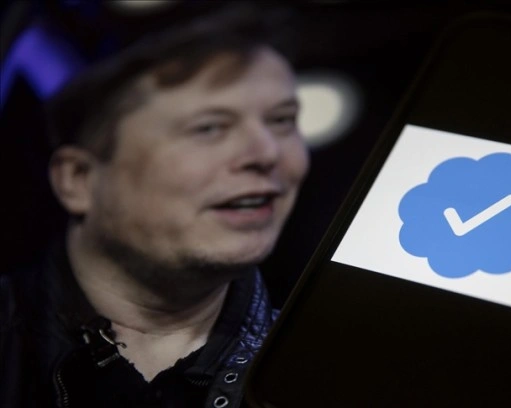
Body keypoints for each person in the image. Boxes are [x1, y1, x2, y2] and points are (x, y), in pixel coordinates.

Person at [0, 3, 308, 407]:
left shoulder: (325, 372)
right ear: (78, 179)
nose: (267, 153)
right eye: (210, 127)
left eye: (282, 121)